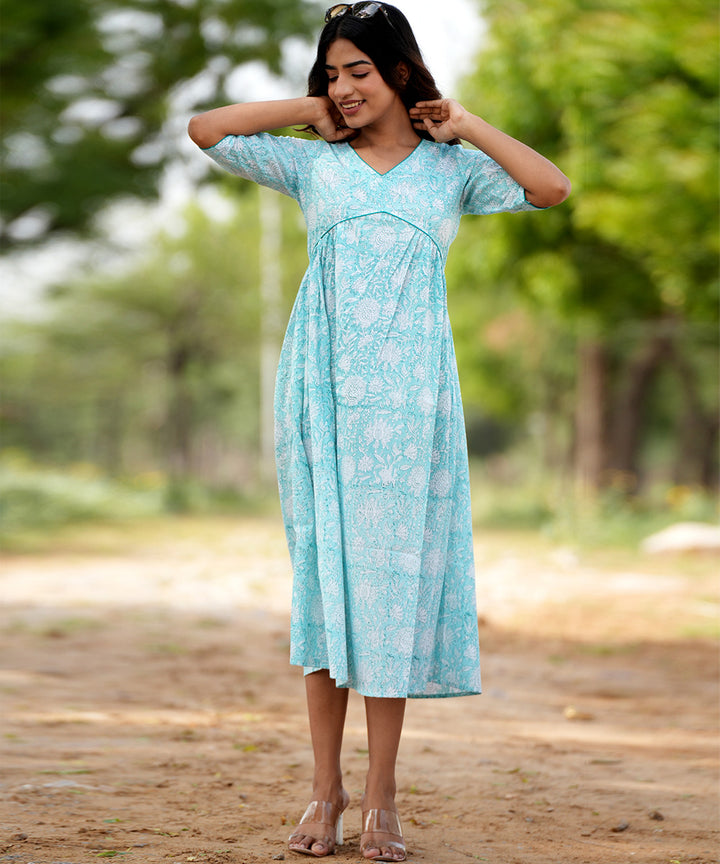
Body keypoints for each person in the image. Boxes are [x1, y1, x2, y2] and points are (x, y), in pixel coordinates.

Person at [188, 3, 570, 859]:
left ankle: (383, 802)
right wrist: (305, 111)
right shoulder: (311, 165)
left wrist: (467, 123)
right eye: (331, 73)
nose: (344, 87)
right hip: (320, 398)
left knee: (387, 598)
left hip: (411, 406)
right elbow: (205, 129)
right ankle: (324, 793)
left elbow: (551, 188)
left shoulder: (451, 171)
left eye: (360, 70)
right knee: (328, 591)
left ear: (401, 71)